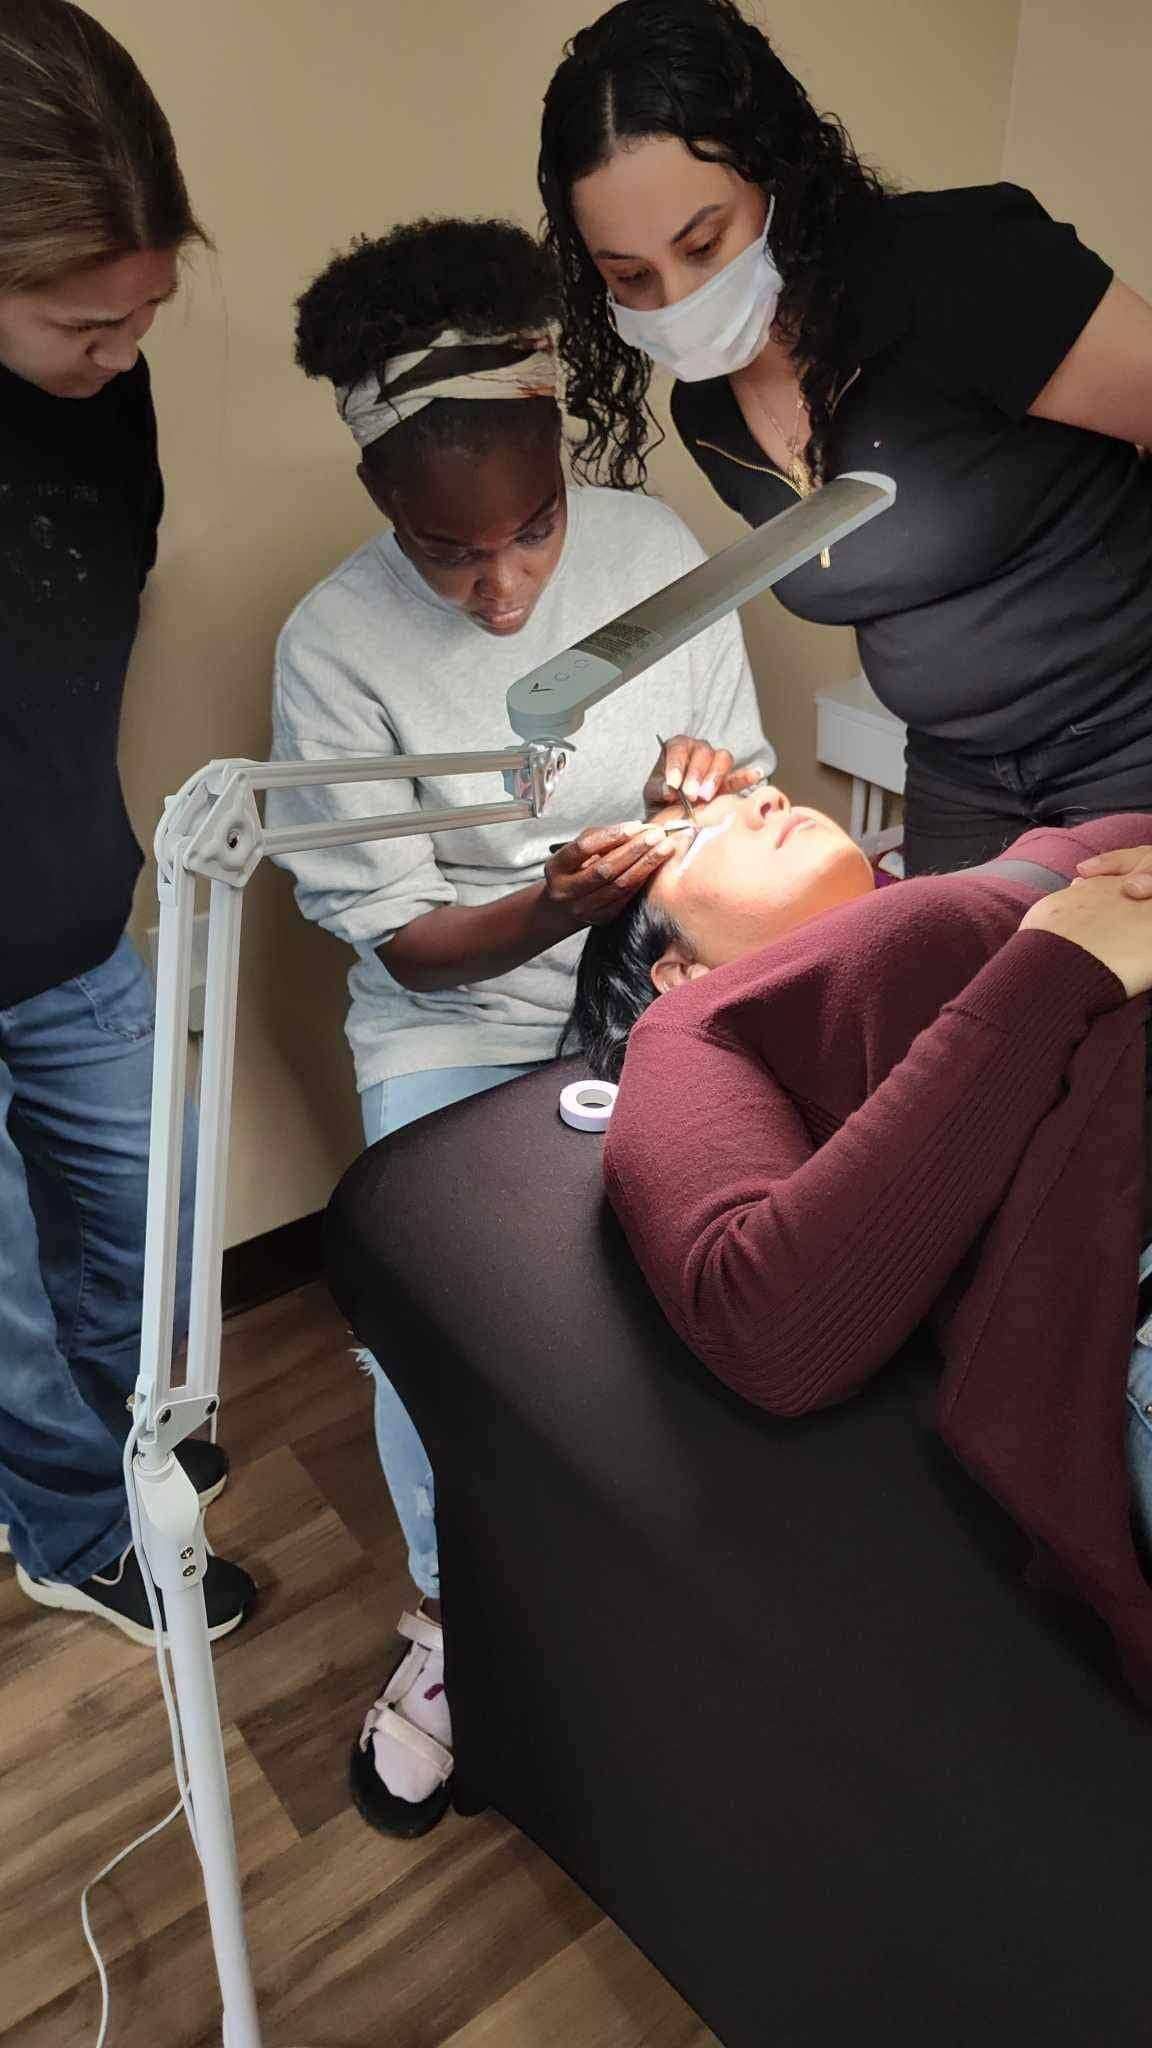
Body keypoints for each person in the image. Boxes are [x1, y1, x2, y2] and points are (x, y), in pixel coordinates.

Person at [269, 215, 767, 1835]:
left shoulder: (649, 559)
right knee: (434, 1326)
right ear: (379, 511)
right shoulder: (333, 649)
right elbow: (412, 948)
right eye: (449, 555)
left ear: (565, 456)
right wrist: (548, 906)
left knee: (668, 1288)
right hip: (456, 1013)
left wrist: (704, 799)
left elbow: (741, 800)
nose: (503, 592)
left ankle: (637, 1588)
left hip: (648, 969)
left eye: (531, 531)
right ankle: (448, 1622)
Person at [537, 0, 1152, 877]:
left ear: (779, 179)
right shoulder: (708, 416)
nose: (675, 299)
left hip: (1131, 738)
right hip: (958, 774)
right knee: (945, 1002)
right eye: (630, 277)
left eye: (704, 244)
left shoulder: (964, 269)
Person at [566, 783, 1152, 1692]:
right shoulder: (690, 1028)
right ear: (679, 969)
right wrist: (1058, 964)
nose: (756, 794)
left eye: (747, 789)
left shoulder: (1000, 872)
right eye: (688, 833)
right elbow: (765, 1324)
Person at [0, 0, 255, 1644]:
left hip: (78, 918)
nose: (121, 355)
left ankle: (126, 1448)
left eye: (145, 315)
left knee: (154, 1237)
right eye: (83, 324)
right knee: (6, 1314)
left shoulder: (104, 405)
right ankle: (76, 1527)